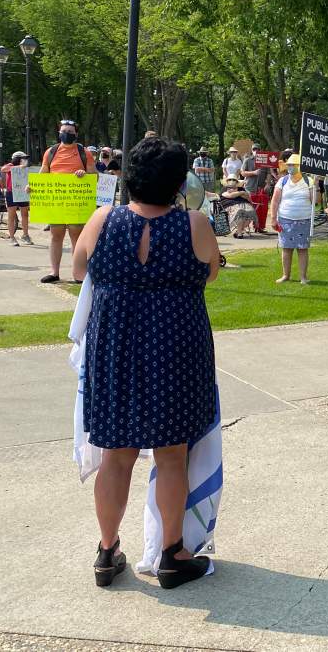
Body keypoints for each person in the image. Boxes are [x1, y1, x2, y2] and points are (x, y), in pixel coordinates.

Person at [71, 136, 220, 591]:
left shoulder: (104, 219)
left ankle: (107, 548)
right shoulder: (194, 223)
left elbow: (79, 270)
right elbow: (210, 271)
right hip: (176, 349)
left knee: (117, 456)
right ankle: (172, 552)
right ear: (178, 182)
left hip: (116, 349)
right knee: (172, 455)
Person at [39, 120, 95, 283]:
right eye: (64, 131)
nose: (66, 134)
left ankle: (78, 274)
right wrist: (32, 186)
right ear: (59, 133)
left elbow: (94, 176)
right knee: (56, 235)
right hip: (56, 201)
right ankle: (54, 272)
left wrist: (84, 174)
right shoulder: (51, 152)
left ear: (76, 134)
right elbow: (44, 173)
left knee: (76, 236)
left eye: (70, 132)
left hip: (76, 201)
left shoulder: (84, 152)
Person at [269, 153, 315, 284]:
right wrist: (273, 218)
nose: (290, 167)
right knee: (286, 248)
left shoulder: (309, 181)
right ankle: (285, 275)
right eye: (288, 165)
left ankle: (303, 277)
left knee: (302, 248)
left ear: (299, 166)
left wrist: (315, 188)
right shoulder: (282, 181)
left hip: (304, 219)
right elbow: (275, 201)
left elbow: (315, 202)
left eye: (292, 165)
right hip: (285, 219)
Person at [2, 151, 34, 246]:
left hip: (23, 192)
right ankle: (12, 237)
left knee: (25, 214)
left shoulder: (26, 167)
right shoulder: (10, 165)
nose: (24, 160)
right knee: (11, 215)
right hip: (11, 192)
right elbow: (3, 169)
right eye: (22, 158)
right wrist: (17, 167)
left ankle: (25, 235)